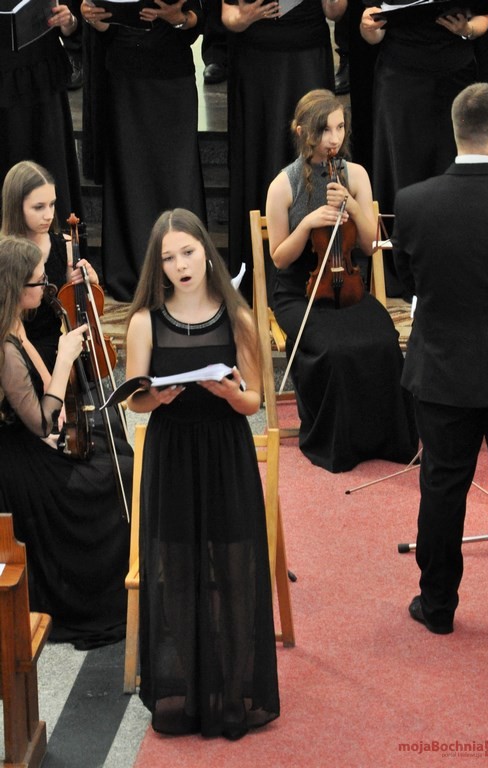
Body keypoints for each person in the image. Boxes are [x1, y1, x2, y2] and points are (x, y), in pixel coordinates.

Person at [125, 208, 279, 738]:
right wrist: (155, 397)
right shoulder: (145, 321)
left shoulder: (238, 318)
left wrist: (234, 394)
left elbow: (256, 400)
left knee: (235, 570)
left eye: (188, 252)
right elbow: (134, 398)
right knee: (177, 572)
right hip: (171, 454)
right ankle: (190, 691)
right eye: (168, 258)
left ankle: (233, 691)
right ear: (158, 265)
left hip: (225, 453)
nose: (180, 265)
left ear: (206, 254)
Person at [393, 82, 488, 635]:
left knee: (441, 489)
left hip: (441, 371)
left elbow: (406, 282)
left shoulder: (413, 202)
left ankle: (437, 606)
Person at [265, 89, 417, 473]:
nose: (334, 138)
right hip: (299, 291)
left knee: (383, 340)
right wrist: (307, 224)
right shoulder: (283, 185)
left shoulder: (356, 175)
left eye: (339, 127)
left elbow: (369, 244)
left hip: (349, 285)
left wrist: (351, 204)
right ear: (302, 132)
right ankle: (337, 442)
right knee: (332, 350)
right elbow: (279, 257)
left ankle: (385, 438)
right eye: (324, 130)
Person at [0, 236, 131, 649]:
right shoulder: (4, 347)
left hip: (27, 442)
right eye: (39, 282)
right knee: (111, 477)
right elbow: (40, 422)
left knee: (116, 452)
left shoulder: (14, 321)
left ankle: (126, 578)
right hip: (17, 463)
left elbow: (42, 390)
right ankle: (101, 596)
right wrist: (64, 357)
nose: (47, 288)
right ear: (16, 288)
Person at [360, 1, 488, 297]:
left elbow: (484, 17)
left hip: (455, 75)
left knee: (453, 172)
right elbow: (370, 29)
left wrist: (467, 28)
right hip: (400, 75)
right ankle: (402, 272)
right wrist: (369, 28)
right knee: (402, 170)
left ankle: (453, 271)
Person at [80, 0, 206, 302]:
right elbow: (105, 30)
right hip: (124, 76)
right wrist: (97, 21)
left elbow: (199, 18)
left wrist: (179, 18)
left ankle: (183, 272)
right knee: (131, 177)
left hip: (172, 76)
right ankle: (136, 273)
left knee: (177, 180)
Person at [222, 0, 347, 302]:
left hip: (307, 55)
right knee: (259, 158)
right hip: (257, 60)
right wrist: (246, 16)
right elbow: (229, 17)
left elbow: (335, 11)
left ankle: (321, 270)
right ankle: (258, 272)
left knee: (314, 150)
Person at [1, 161, 99, 372]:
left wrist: (90, 283)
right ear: (16, 207)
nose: (49, 215)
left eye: (52, 204)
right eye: (39, 207)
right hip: (15, 350)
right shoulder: (5, 254)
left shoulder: (65, 246)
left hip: (56, 346)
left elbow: (76, 310)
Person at [0, 2, 83, 226]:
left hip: (42, 81)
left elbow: (73, 23)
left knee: (49, 164)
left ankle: (55, 244)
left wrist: (69, 22)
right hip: (6, 80)